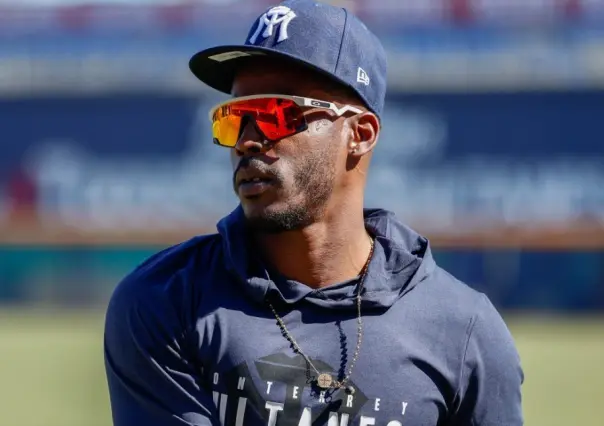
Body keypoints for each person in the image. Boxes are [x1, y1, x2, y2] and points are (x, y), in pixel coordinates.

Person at [103, 1, 524, 425]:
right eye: (234, 119)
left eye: (276, 115)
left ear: (359, 134)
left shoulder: (465, 331)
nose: (246, 142)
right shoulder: (167, 301)